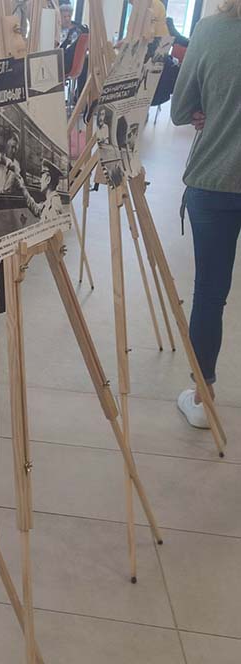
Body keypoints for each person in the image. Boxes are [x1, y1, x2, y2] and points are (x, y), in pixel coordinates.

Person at [170, 1, 241, 429]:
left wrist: (208, 111)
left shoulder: (211, 31)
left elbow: (180, 110)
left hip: (214, 178)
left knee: (210, 294)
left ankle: (203, 394)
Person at [17, 159, 65, 225]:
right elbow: (37, 209)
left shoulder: (54, 203)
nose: (40, 181)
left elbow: (52, 229)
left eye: (42, 177)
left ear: (48, 180)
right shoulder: (50, 201)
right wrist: (23, 188)